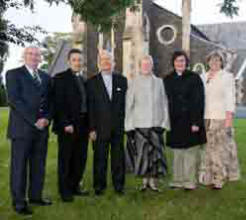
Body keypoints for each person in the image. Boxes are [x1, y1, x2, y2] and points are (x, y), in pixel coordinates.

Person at [6, 46, 52, 216]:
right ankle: (19, 202)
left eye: (37, 55)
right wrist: (35, 120)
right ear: (24, 56)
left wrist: (47, 118)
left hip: (42, 130)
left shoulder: (46, 77)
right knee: (19, 167)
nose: (34, 57)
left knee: (38, 165)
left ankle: (35, 196)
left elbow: (50, 101)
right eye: (30, 54)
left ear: (41, 58)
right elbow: (14, 100)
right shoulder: (13, 74)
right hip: (22, 129)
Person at [125, 55, 169, 192]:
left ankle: (153, 183)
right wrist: (129, 126)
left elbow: (164, 103)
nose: (146, 67)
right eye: (143, 65)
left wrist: (164, 123)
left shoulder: (159, 82)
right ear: (140, 66)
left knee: (155, 155)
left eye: (148, 64)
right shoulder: (134, 82)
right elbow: (129, 105)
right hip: (140, 124)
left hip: (156, 123)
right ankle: (145, 183)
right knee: (143, 155)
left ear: (152, 66)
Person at [164, 50, 206, 190]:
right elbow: (164, 101)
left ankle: (189, 182)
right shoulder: (167, 79)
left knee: (190, 152)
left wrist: (196, 122)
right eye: (177, 61)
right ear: (173, 63)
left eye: (182, 61)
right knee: (177, 153)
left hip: (190, 120)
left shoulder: (194, 78)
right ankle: (177, 180)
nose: (180, 63)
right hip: (174, 121)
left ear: (186, 62)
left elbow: (199, 101)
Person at [87, 50, 127, 195]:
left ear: (113, 62)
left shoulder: (122, 80)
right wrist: (91, 129)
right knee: (100, 159)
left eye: (109, 60)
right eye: (103, 60)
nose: (106, 62)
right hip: (99, 128)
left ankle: (119, 186)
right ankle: (99, 187)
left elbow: (125, 105)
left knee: (118, 159)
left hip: (117, 127)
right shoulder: (91, 82)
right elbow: (90, 108)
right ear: (99, 63)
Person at [52, 49, 89, 202]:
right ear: (69, 61)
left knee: (80, 158)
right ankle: (64, 191)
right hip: (68, 126)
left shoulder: (84, 80)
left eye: (80, 60)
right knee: (66, 159)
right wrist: (65, 123)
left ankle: (75, 187)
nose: (77, 62)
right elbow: (58, 104)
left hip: (83, 125)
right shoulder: (60, 78)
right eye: (74, 60)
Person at [200, 50, 239, 189]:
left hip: (220, 117)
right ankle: (208, 177)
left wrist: (229, 118)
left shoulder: (227, 77)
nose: (214, 62)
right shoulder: (202, 77)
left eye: (217, 60)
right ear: (208, 61)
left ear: (221, 62)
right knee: (208, 149)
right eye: (212, 60)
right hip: (205, 117)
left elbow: (230, 98)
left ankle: (220, 178)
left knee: (219, 149)